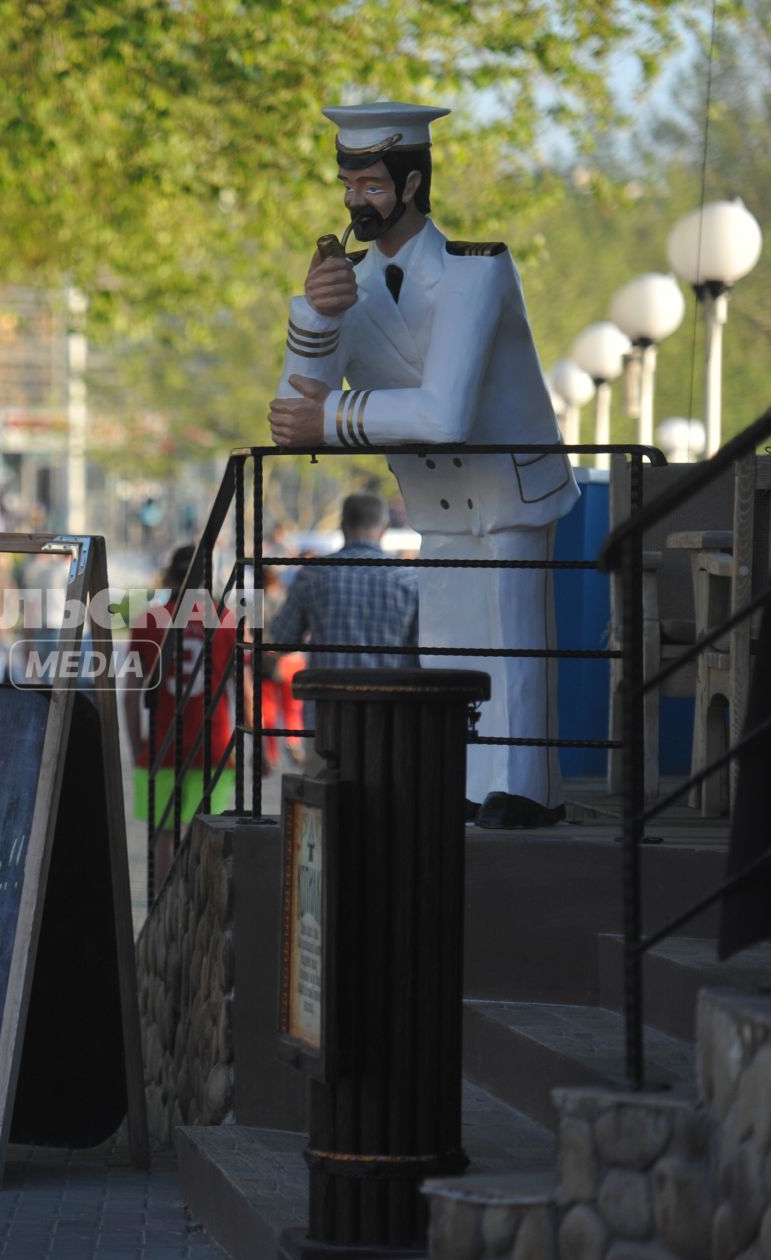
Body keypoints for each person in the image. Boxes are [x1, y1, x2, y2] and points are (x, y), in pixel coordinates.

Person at [267, 100, 578, 828]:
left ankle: (527, 786)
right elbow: (289, 415)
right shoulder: (353, 284)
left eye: (372, 185)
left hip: (509, 486)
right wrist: (315, 318)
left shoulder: (479, 271)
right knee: (449, 639)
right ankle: (462, 780)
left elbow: (446, 414)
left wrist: (330, 419)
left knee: (514, 639)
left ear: (411, 186)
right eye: (349, 186)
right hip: (438, 500)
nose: (355, 201)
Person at [123, 547, 237, 893]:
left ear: (171, 578)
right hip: (212, 744)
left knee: (164, 837)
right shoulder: (226, 620)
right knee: (203, 835)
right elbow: (245, 691)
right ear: (208, 580)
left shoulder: (149, 620)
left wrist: (137, 747)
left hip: (162, 744)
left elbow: (130, 696)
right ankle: (198, 909)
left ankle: (164, 910)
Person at [265, 493, 420, 676]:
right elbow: (423, 647)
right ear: (385, 528)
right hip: (389, 699)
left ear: (343, 526)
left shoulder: (313, 574)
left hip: (327, 699)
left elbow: (283, 639)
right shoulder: (408, 579)